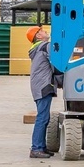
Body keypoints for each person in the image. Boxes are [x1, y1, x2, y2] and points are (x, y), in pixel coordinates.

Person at [26, 26, 62, 159]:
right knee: (42, 117)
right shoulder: (45, 46)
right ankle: (36, 148)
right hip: (43, 86)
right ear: (38, 36)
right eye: (41, 31)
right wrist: (63, 79)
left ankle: (41, 147)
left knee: (44, 117)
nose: (45, 31)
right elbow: (57, 64)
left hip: (39, 85)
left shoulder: (37, 49)